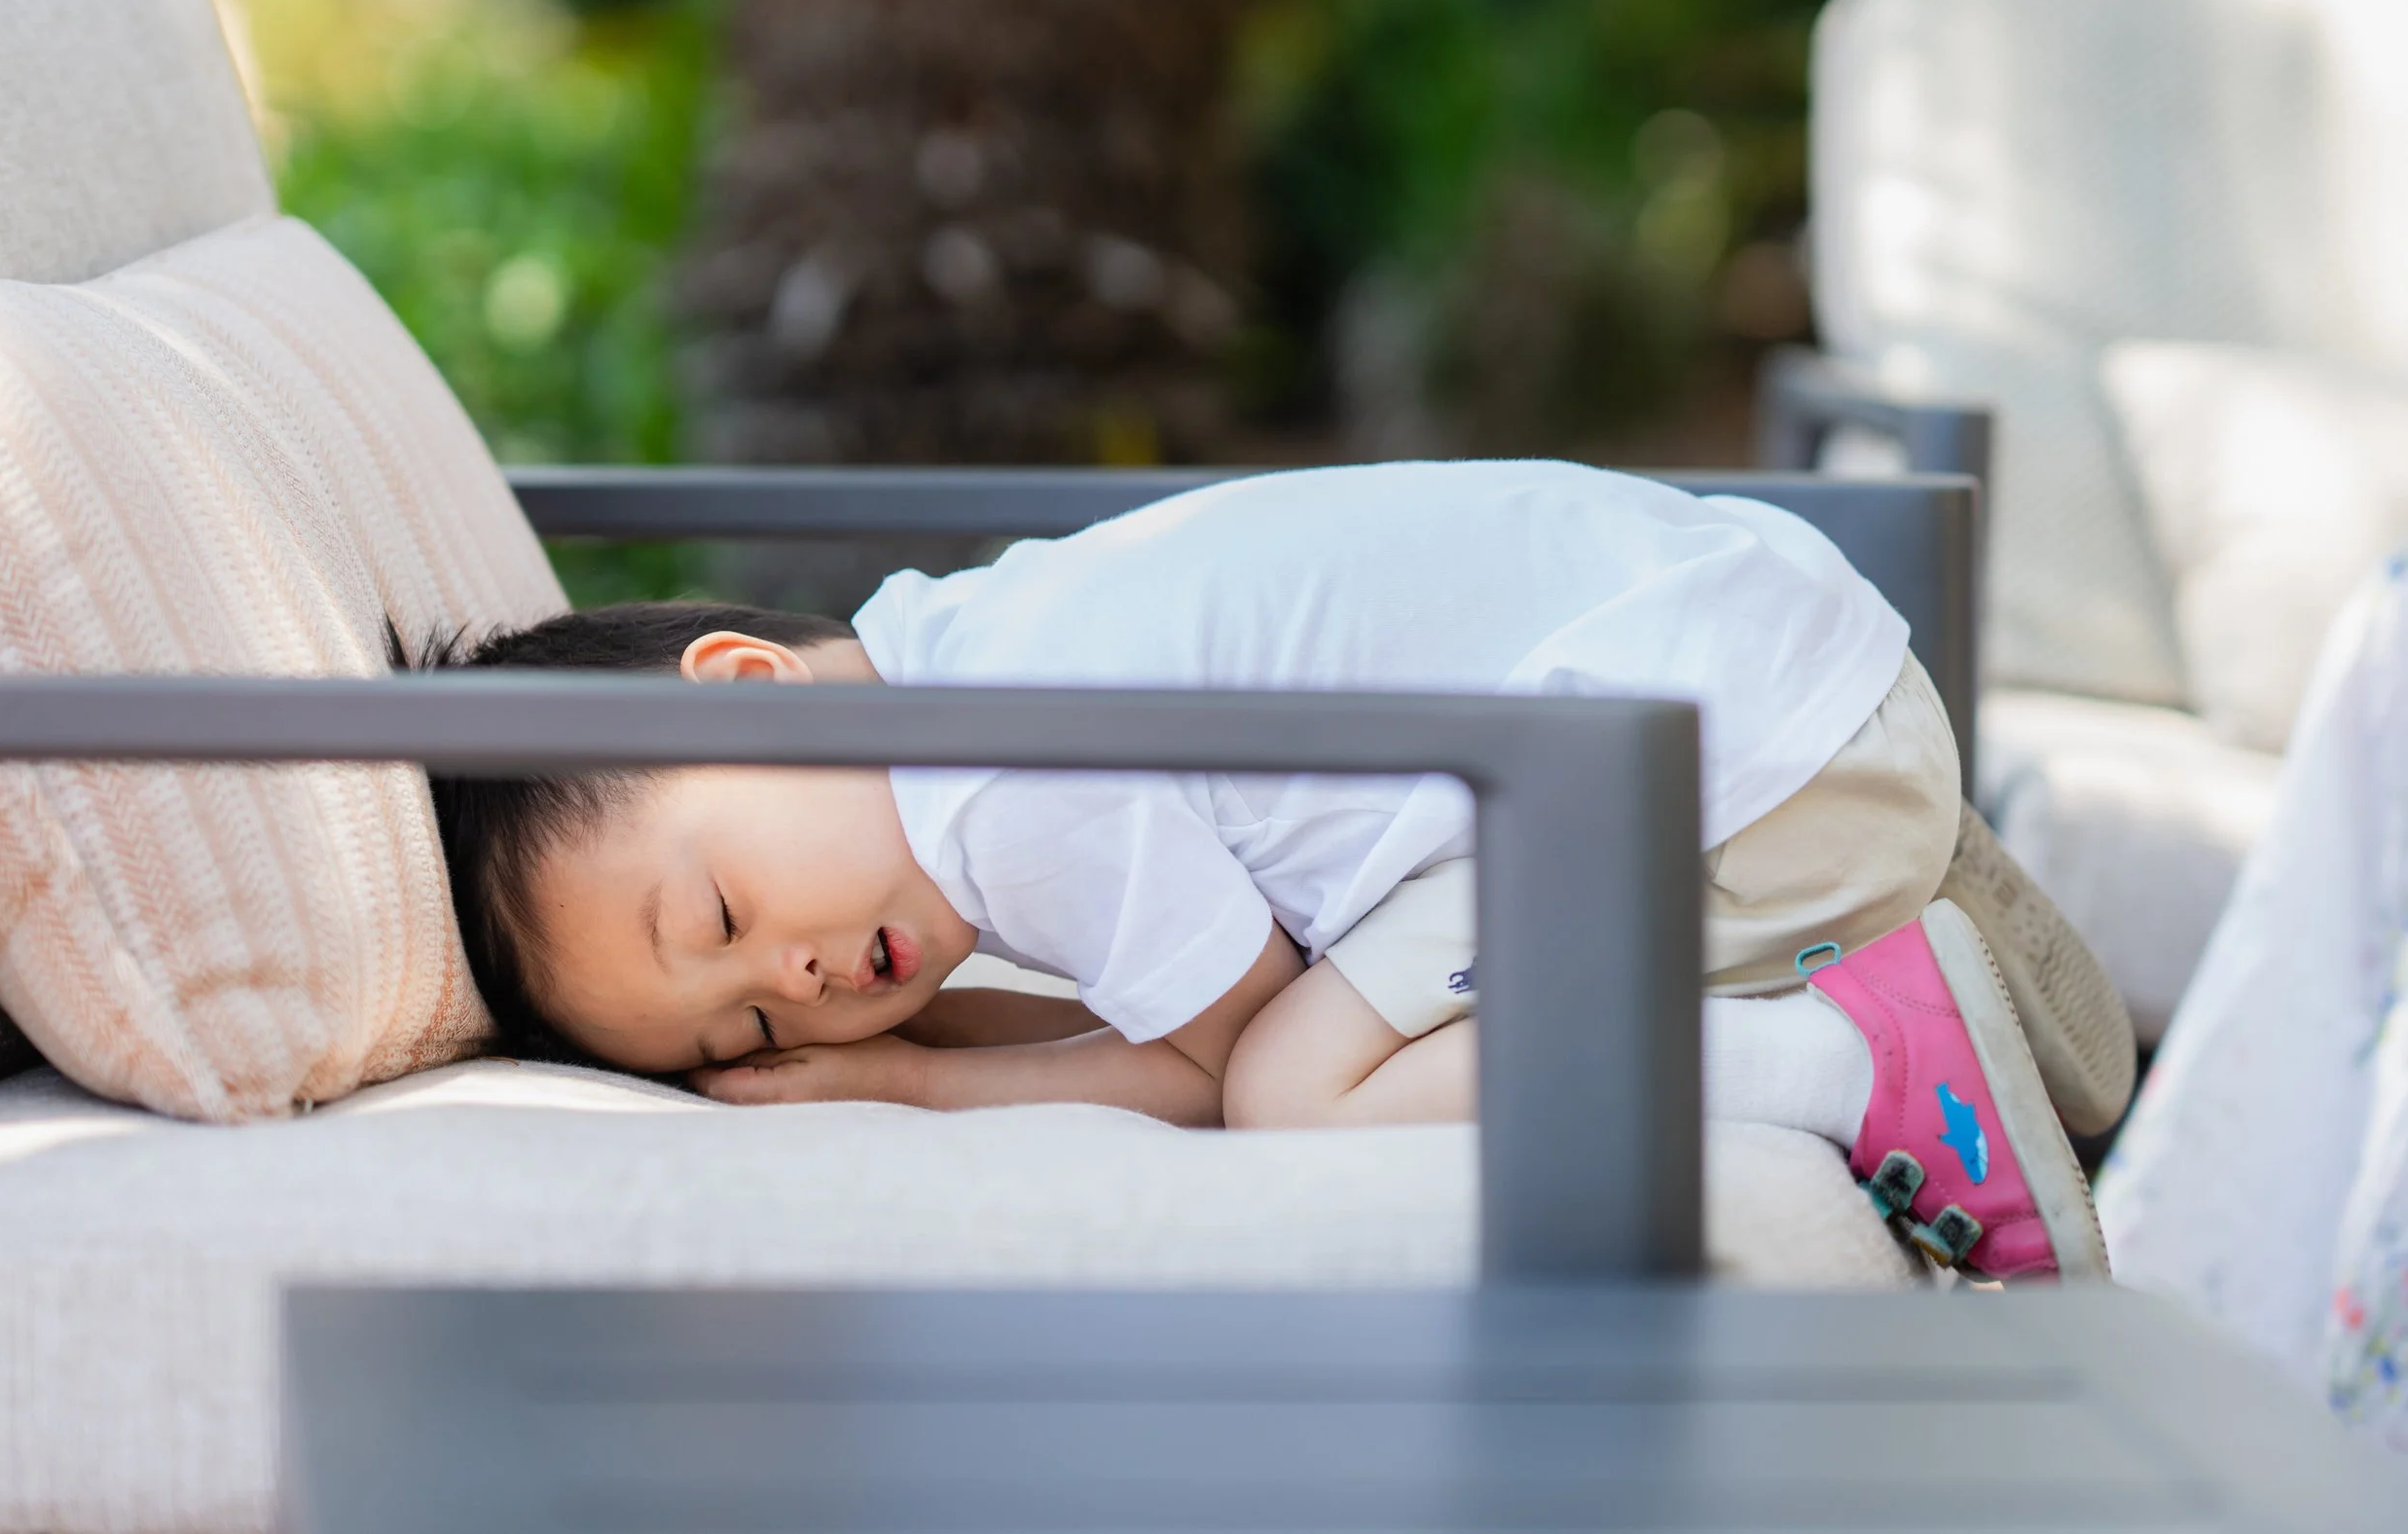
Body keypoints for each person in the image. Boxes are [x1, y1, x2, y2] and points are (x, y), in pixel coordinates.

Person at [423, 461, 2129, 1279]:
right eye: (735, 1036)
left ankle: (1855, 1049)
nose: (782, 986)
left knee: (1306, 1092)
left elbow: (1215, 1059)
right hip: (1768, 676)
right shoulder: (971, 645)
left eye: (716, 919)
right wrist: (927, 1040)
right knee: (1333, 1022)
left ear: (748, 686)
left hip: (1741, 762)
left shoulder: (1001, 780)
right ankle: (1893, 926)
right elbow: (1157, 995)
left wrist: (905, 1080)